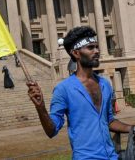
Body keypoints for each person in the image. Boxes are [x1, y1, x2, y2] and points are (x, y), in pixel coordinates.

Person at [26, 26, 134, 160]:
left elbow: (109, 121)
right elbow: (51, 131)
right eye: (90, 48)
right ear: (76, 53)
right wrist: (40, 107)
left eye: (97, 46)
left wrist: (132, 128)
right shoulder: (63, 89)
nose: (97, 51)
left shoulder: (105, 84)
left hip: (111, 156)